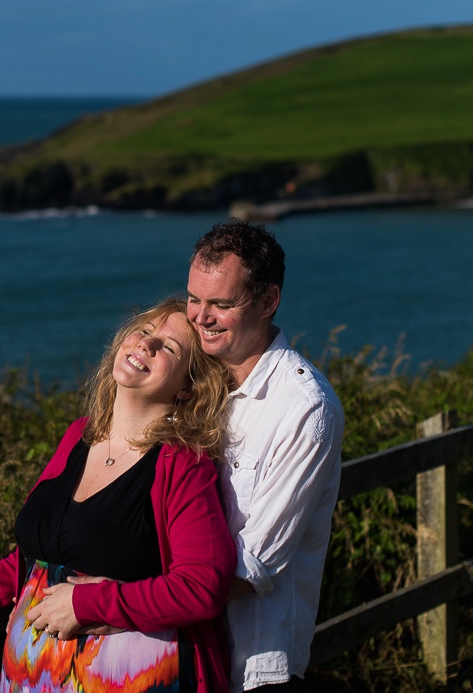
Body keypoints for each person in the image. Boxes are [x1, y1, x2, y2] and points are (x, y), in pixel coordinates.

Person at [0, 298, 238, 692]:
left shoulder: (182, 463)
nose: (146, 345)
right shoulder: (79, 435)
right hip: (31, 677)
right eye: (146, 332)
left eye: (168, 347)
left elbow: (202, 586)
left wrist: (85, 604)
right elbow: (37, 558)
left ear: (187, 387)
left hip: (130, 680)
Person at [185, 220, 344, 693]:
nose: (200, 317)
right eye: (194, 298)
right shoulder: (190, 383)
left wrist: (124, 600)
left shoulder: (305, 408)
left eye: (221, 304)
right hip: (180, 658)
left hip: (252, 669)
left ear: (268, 301)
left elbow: (256, 565)